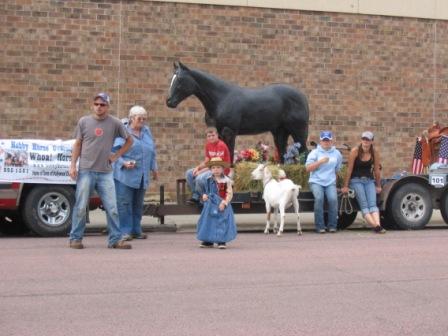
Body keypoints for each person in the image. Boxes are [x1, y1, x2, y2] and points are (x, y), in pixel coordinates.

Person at [69, 92, 133, 249]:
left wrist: (116, 156)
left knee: (112, 207)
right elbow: (77, 144)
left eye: (102, 105)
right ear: (92, 105)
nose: (99, 107)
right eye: (96, 104)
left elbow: (130, 141)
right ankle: (75, 238)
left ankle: (115, 240)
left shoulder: (115, 123)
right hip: (86, 170)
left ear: (108, 106)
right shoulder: (84, 122)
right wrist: (72, 165)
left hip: (105, 172)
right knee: (81, 205)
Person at [112, 105, 158, 241]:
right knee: (124, 204)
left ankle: (136, 230)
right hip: (125, 175)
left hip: (142, 175)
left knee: (138, 204)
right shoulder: (123, 131)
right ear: (132, 118)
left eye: (144, 118)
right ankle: (124, 231)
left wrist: (154, 169)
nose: (142, 121)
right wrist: (123, 163)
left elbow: (152, 151)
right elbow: (113, 151)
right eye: (140, 118)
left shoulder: (147, 131)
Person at [341, 131, 386, 233]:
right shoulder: (355, 151)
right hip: (356, 180)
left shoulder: (374, 152)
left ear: (371, 141)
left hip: (369, 180)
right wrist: (345, 186)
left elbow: (377, 170)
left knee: (373, 204)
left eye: (368, 139)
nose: (365, 141)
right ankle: (376, 227)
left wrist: (378, 186)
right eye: (364, 139)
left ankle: (377, 225)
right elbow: (349, 170)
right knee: (364, 205)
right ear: (361, 140)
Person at [306, 131, 343, 233]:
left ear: (331, 141)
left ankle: (332, 226)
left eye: (328, 140)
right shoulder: (315, 153)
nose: (326, 142)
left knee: (333, 200)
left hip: (330, 182)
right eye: (324, 140)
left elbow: (337, 169)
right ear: (320, 141)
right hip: (316, 181)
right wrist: (320, 162)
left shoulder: (337, 154)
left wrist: (335, 183)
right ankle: (320, 226)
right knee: (319, 198)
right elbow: (308, 168)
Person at [196, 157, 237, 249]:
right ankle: (208, 240)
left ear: (223, 169)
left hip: (221, 203)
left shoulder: (226, 181)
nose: (216, 170)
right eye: (213, 168)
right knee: (208, 221)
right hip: (210, 204)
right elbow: (205, 190)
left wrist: (225, 203)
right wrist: (204, 195)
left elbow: (229, 193)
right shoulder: (207, 179)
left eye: (218, 167)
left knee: (221, 221)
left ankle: (221, 241)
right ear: (210, 169)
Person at [185, 127, 231, 204]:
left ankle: (205, 199)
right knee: (189, 173)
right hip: (212, 167)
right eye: (209, 136)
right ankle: (196, 196)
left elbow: (216, 165)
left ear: (217, 135)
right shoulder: (208, 145)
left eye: (213, 135)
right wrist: (198, 168)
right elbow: (207, 160)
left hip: (220, 170)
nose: (211, 137)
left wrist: (201, 172)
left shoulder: (221, 145)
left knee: (199, 178)